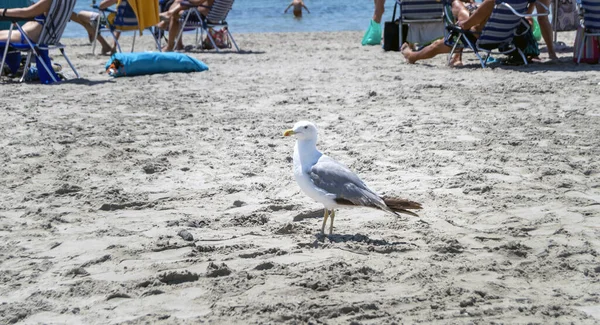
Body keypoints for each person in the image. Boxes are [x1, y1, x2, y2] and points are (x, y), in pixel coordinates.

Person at [401, 0, 496, 65]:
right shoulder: (506, 4)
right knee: (462, 8)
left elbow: (466, 26)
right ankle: (457, 57)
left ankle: (412, 56)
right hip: (502, 39)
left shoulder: (490, 2)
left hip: (476, 37)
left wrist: (463, 24)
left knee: (437, 45)